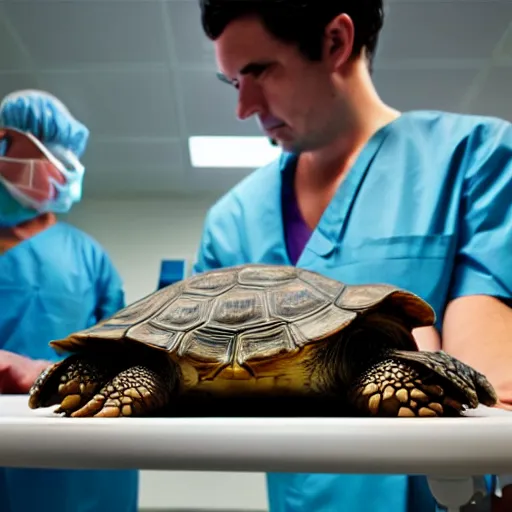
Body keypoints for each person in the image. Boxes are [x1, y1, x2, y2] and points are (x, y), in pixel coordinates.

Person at [192, 1, 512, 511]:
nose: (244, 107)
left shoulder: (474, 159)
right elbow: (200, 378)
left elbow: (489, 376)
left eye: (259, 72)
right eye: (233, 83)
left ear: (336, 42)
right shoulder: (233, 221)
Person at [0, 89, 139, 512]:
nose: (58, 175)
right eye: (48, 159)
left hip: (78, 463)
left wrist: (40, 372)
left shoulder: (87, 258)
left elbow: (123, 361)